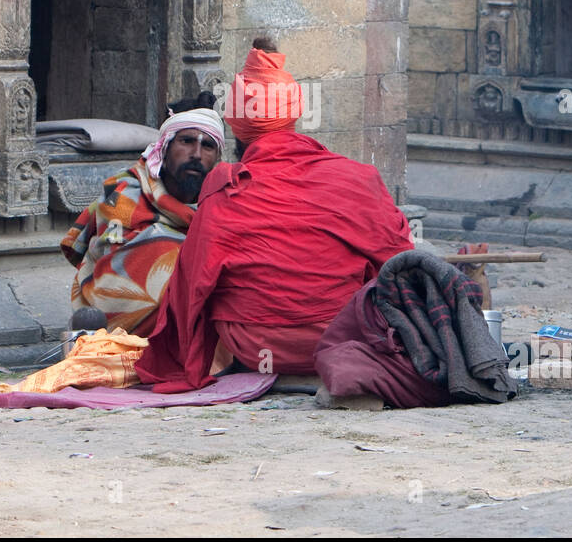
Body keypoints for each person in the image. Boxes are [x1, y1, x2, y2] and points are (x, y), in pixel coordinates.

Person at [136, 39, 413, 392]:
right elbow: (399, 260)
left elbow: (192, 288)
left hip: (253, 347)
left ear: (236, 131)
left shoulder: (224, 186)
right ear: (293, 116)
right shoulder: (357, 178)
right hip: (343, 338)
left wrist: (183, 358)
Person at [59, 94, 224, 336]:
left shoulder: (224, 200)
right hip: (113, 328)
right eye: (186, 141)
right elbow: (118, 266)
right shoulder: (123, 193)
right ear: (164, 148)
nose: (196, 154)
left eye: (207, 146)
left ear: (217, 158)